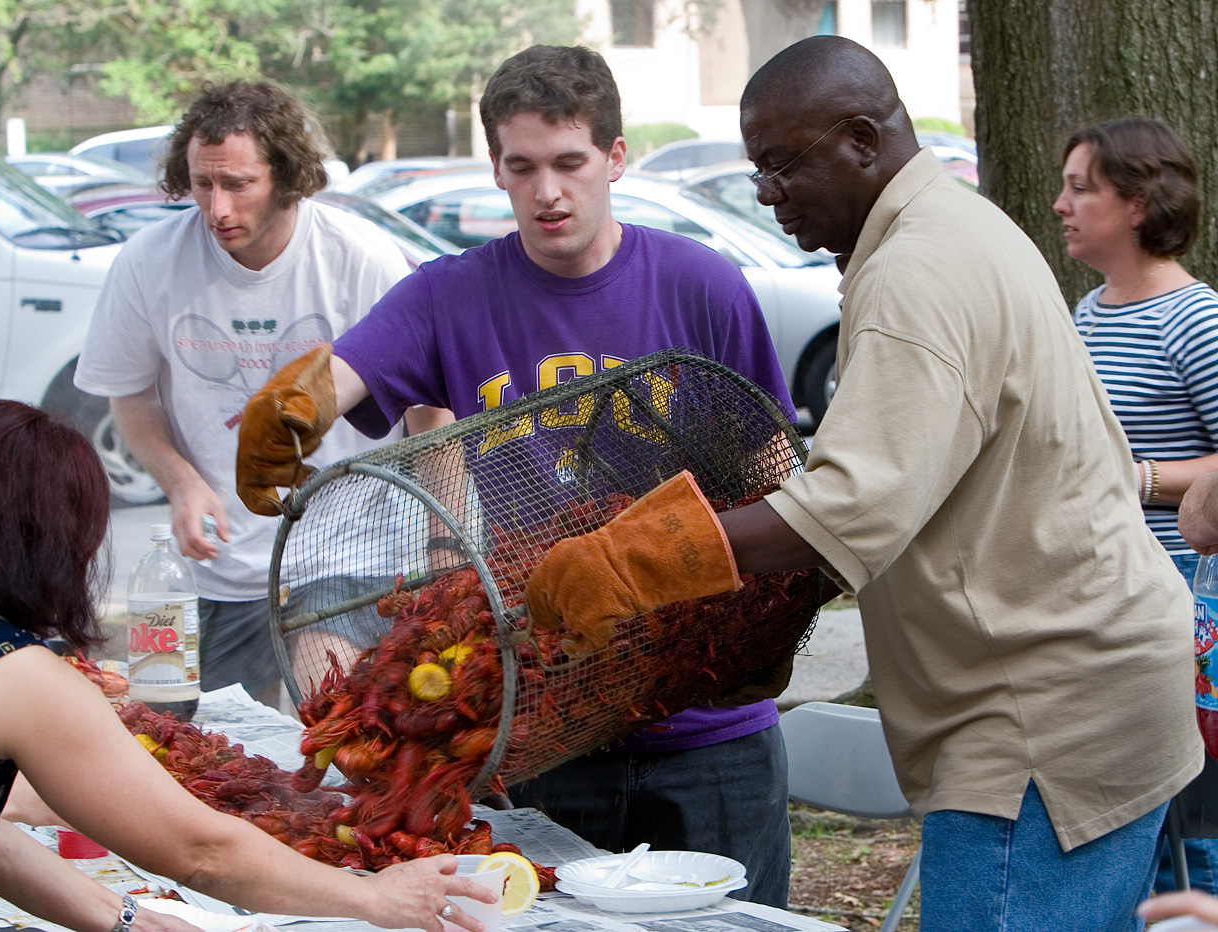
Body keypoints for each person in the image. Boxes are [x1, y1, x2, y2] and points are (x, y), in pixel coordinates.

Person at [517, 36, 1202, 931]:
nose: (765, 193)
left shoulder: (919, 266)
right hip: (1086, 696)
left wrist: (634, 561)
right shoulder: (946, 228)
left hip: (1043, 725)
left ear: (861, 140)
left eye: (780, 165)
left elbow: (850, 503)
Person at [235, 45, 796, 908]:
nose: (548, 193)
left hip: (709, 729)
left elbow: (775, 479)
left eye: (570, 163)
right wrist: (295, 408)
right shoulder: (448, 298)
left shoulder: (702, 288)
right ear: (496, 166)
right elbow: (348, 372)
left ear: (614, 158)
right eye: (523, 166)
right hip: (542, 720)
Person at [0, 400, 494, 932]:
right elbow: (201, 852)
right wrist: (373, 897)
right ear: (47, 544)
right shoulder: (14, 675)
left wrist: (125, 918)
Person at [74, 80, 445, 708]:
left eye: (239, 185)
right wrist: (182, 482)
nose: (218, 208)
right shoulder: (146, 262)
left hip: (346, 550)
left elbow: (429, 407)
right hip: (214, 564)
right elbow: (128, 397)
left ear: (287, 176)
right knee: (201, 745)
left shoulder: (358, 257)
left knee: (335, 723)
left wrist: (440, 540)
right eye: (201, 184)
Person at [1054, 116, 1218, 894]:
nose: (1061, 203)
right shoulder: (1090, 312)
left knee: (1195, 823)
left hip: (1188, 609)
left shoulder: (1196, 319)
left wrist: (1142, 479)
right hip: (1108, 608)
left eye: (1081, 188)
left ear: (1141, 203)